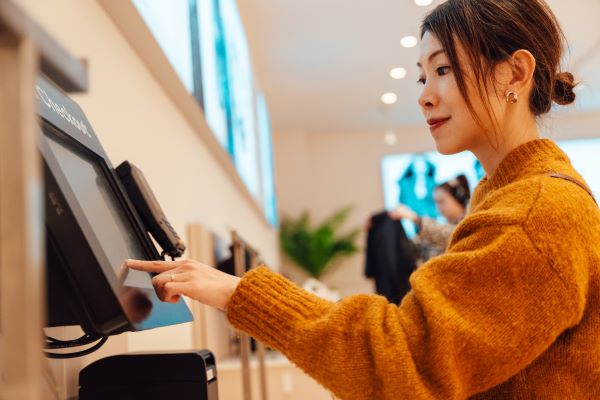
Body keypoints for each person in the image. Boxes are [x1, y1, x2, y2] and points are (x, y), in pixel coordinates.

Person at [126, 0, 600, 398]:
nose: (426, 96)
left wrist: (239, 292)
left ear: (514, 72)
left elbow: (406, 359)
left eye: (444, 69)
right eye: (423, 77)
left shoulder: (534, 212)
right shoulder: (511, 198)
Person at [391, 174, 471, 263]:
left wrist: (414, 218)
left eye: (441, 201)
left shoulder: (469, 224)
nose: (438, 207)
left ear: (459, 198)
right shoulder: (445, 225)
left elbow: (452, 235)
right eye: (436, 202)